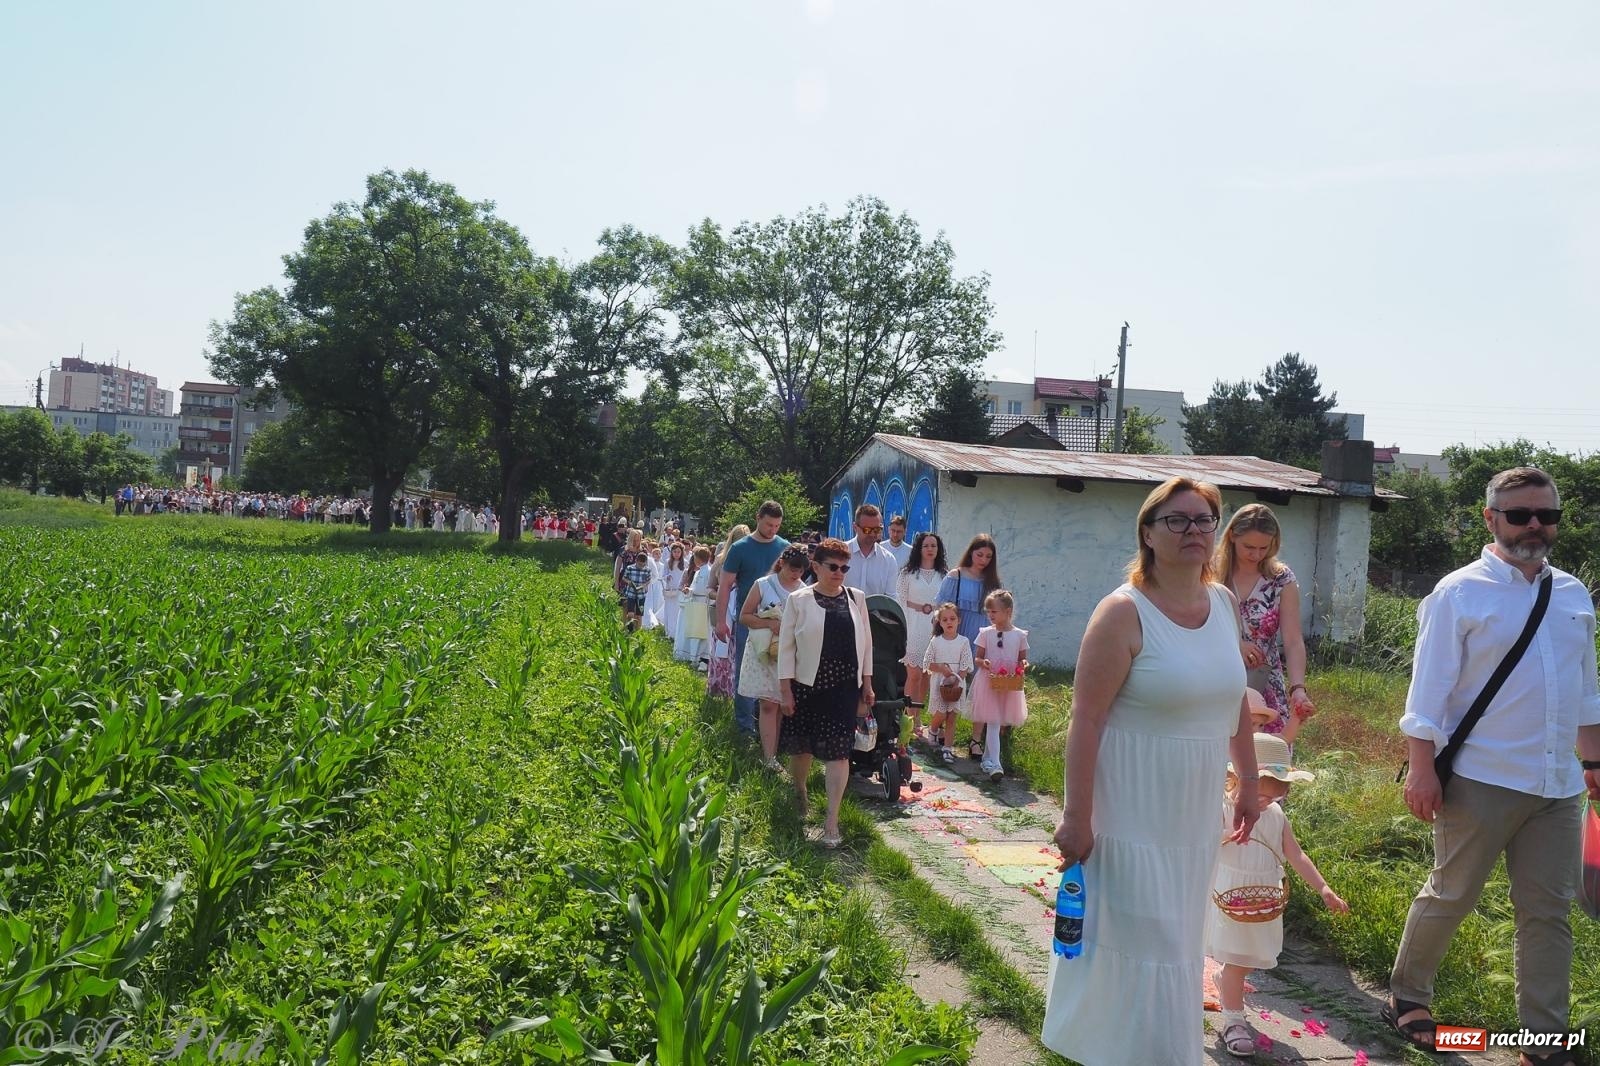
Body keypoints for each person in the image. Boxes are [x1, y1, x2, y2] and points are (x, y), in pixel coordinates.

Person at [1386, 466, 1600, 1064]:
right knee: (1452, 892)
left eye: (1547, 515)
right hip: (1482, 778)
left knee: (1549, 912)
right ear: (1491, 519)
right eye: (1520, 514)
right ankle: (1408, 995)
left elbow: (1587, 691)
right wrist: (1421, 769)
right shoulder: (1459, 592)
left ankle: (1544, 1037)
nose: (1535, 525)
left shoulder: (1573, 594)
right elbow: (1426, 695)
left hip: (1557, 785)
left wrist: (1595, 760)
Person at [1043, 477, 1259, 1066]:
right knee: (1139, 939)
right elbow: (1085, 720)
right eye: (1178, 520)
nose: (1194, 531)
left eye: (1205, 520)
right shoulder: (1122, 612)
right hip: (1129, 807)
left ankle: (1157, 1051)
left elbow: (1233, 696)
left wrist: (1250, 780)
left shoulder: (1223, 603)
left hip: (1191, 813)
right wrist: (1076, 817)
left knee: (1178, 941)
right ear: (1148, 532)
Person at [1208, 732, 1348, 1057]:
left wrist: (1323, 887)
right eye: (1258, 796)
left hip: (1263, 901)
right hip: (1230, 896)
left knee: (1249, 957)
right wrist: (1231, 834)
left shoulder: (1275, 816)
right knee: (1238, 960)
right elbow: (1206, 841)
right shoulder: (1224, 808)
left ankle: (1225, 979)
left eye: (1271, 798)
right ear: (1235, 778)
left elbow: (1296, 855)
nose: (1263, 805)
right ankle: (1233, 1020)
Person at [777, 537, 875, 849]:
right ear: (816, 566)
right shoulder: (799, 599)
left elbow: (867, 645)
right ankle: (801, 790)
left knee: (839, 752)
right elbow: (786, 648)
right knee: (803, 748)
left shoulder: (856, 598)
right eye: (832, 567)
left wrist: (868, 684)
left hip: (845, 686)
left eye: (845, 567)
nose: (839, 572)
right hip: (806, 685)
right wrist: (785, 690)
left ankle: (831, 820)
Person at [1216, 504, 1316, 744]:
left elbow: (1292, 641)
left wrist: (1298, 688)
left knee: (1270, 760)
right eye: (1248, 547)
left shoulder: (1281, 579)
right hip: (1216, 681)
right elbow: (1190, 626)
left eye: (1264, 547)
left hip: (1264, 685)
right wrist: (1235, 643)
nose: (1256, 554)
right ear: (1231, 536)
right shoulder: (1208, 573)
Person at [714, 503, 790, 733]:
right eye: (768, 524)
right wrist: (720, 621)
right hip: (749, 620)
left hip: (779, 622)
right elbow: (725, 586)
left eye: (777, 525)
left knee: (776, 673)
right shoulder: (739, 548)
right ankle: (745, 727)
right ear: (758, 518)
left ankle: (768, 727)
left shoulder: (784, 547)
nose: (772, 530)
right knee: (746, 673)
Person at [739, 544, 812, 771]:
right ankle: (768, 757)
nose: (796, 574)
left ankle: (773, 751)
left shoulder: (804, 591)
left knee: (780, 704)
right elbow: (744, 616)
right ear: (782, 563)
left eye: (801, 571)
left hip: (788, 654)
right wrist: (770, 623)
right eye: (792, 568)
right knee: (768, 704)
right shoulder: (763, 584)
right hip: (764, 652)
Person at [967, 589, 1028, 782]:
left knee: (999, 720)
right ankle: (995, 764)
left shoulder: (1019, 635)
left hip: (1009, 683)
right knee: (993, 722)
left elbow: (1022, 659)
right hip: (989, 682)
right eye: (988, 611)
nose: (990, 615)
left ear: (1008, 611)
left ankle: (986, 758)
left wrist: (1023, 665)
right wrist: (982, 663)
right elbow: (978, 657)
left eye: (994, 611)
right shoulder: (986, 633)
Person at [897, 532, 947, 741]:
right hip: (912, 623)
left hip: (934, 626)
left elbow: (946, 603)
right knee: (914, 674)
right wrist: (901, 627)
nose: (930, 549)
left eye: (933, 545)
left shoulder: (944, 574)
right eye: (926, 545)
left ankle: (918, 719)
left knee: (927, 674)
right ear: (919, 548)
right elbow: (899, 599)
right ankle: (906, 718)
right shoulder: (908, 573)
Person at [923, 603, 974, 765]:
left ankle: (947, 749)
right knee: (941, 713)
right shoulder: (936, 642)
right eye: (945, 619)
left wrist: (956, 678)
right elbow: (927, 663)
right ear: (939, 622)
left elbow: (966, 665)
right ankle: (933, 729)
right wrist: (942, 669)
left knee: (952, 716)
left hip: (957, 683)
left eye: (952, 618)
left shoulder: (963, 641)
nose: (949, 622)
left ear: (959, 620)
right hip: (940, 681)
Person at [937, 534, 1001, 654]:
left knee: (979, 670)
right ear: (971, 552)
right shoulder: (956, 576)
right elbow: (941, 607)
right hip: (959, 629)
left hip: (984, 633)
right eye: (979, 555)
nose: (983, 560)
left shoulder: (993, 581)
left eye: (988, 557)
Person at [841, 504, 899, 597]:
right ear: (855, 527)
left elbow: (891, 598)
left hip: (875, 611)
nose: (872, 534)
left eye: (877, 530)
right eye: (867, 530)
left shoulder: (889, 560)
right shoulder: (840, 553)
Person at [675, 545, 714, 665]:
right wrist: (689, 590)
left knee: (699, 631)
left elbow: (704, 589)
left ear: (699, 558)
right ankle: (693, 654)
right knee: (694, 630)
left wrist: (691, 591)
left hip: (702, 604)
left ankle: (700, 656)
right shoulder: (699, 571)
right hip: (695, 602)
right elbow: (695, 587)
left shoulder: (708, 571)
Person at [660, 542, 687, 636]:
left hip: (679, 590)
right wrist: (667, 576)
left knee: (677, 610)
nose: (676, 554)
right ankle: (669, 632)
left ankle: (677, 632)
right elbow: (663, 575)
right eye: (674, 552)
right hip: (670, 589)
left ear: (682, 552)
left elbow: (686, 576)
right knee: (669, 610)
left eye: (679, 552)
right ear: (671, 552)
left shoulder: (685, 563)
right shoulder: (668, 562)